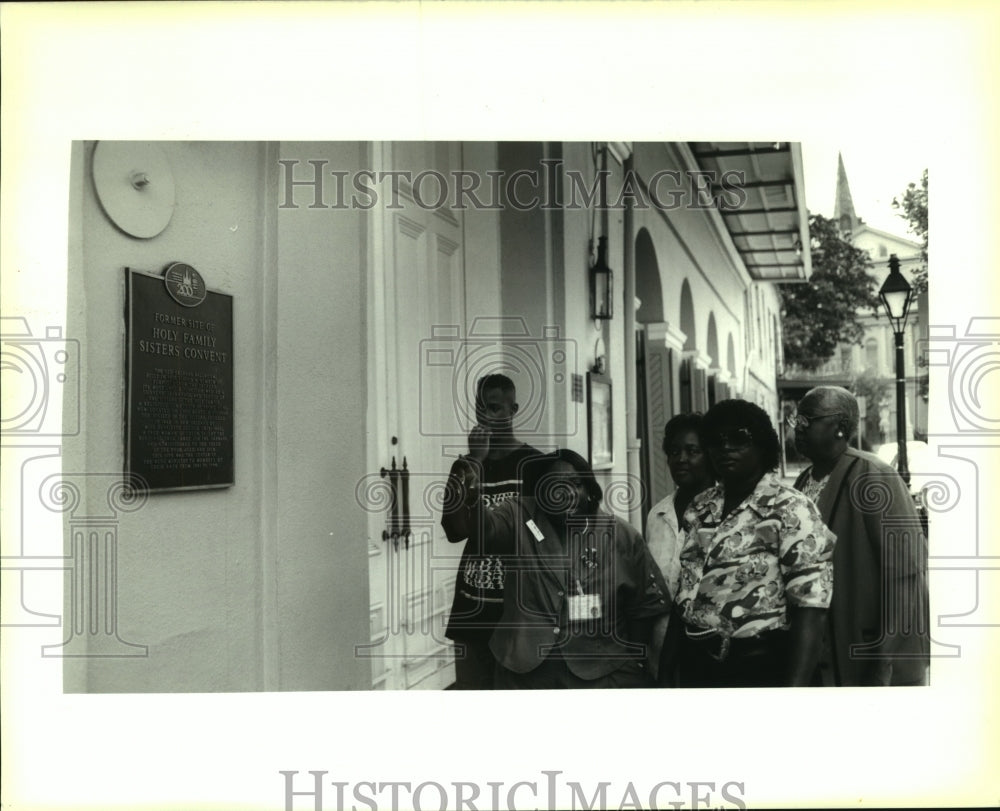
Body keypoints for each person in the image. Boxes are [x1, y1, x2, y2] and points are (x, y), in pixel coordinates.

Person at [444, 449, 671, 688]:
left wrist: (633, 658)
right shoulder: (519, 516)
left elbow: (645, 607)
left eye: (576, 483)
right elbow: (484, 530)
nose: (565, 493)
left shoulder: (621, 536)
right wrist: (471, 498)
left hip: (600, 671)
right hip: (524, 671)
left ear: (590, 490)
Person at [674, 399, 836, 688]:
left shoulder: (792, 508)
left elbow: (810, 612)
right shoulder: (698, 508)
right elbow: (684, 593)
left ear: (762, 444)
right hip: (696, 667)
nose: (725, 448)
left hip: (761, 668)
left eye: (738, 438)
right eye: (716, 440)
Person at [791, 385, 929, 686]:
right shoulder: (804, 479)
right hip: (823, 650)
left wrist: (885, 659)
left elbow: (905, 574)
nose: (797, 429)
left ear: (840, 427)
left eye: (806, 420)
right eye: (795, 421)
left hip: (867, 652)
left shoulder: (873, 475)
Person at [440, 374, 539, 690]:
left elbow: (543, 536)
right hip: (473, 605)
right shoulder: (464, 466)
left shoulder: (535, 464)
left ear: (514, 409)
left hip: (518, 607)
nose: (487, 416)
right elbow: (454, 530)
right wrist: (475, 463)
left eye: (496, 408)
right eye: (481, 408)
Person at [644, 413, 714, 684]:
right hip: (660, 652)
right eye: (674, 451)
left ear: (709, 455)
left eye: (692, 451)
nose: (681, 459)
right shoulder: (657, 515)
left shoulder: (727, 514)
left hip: (707, 653)